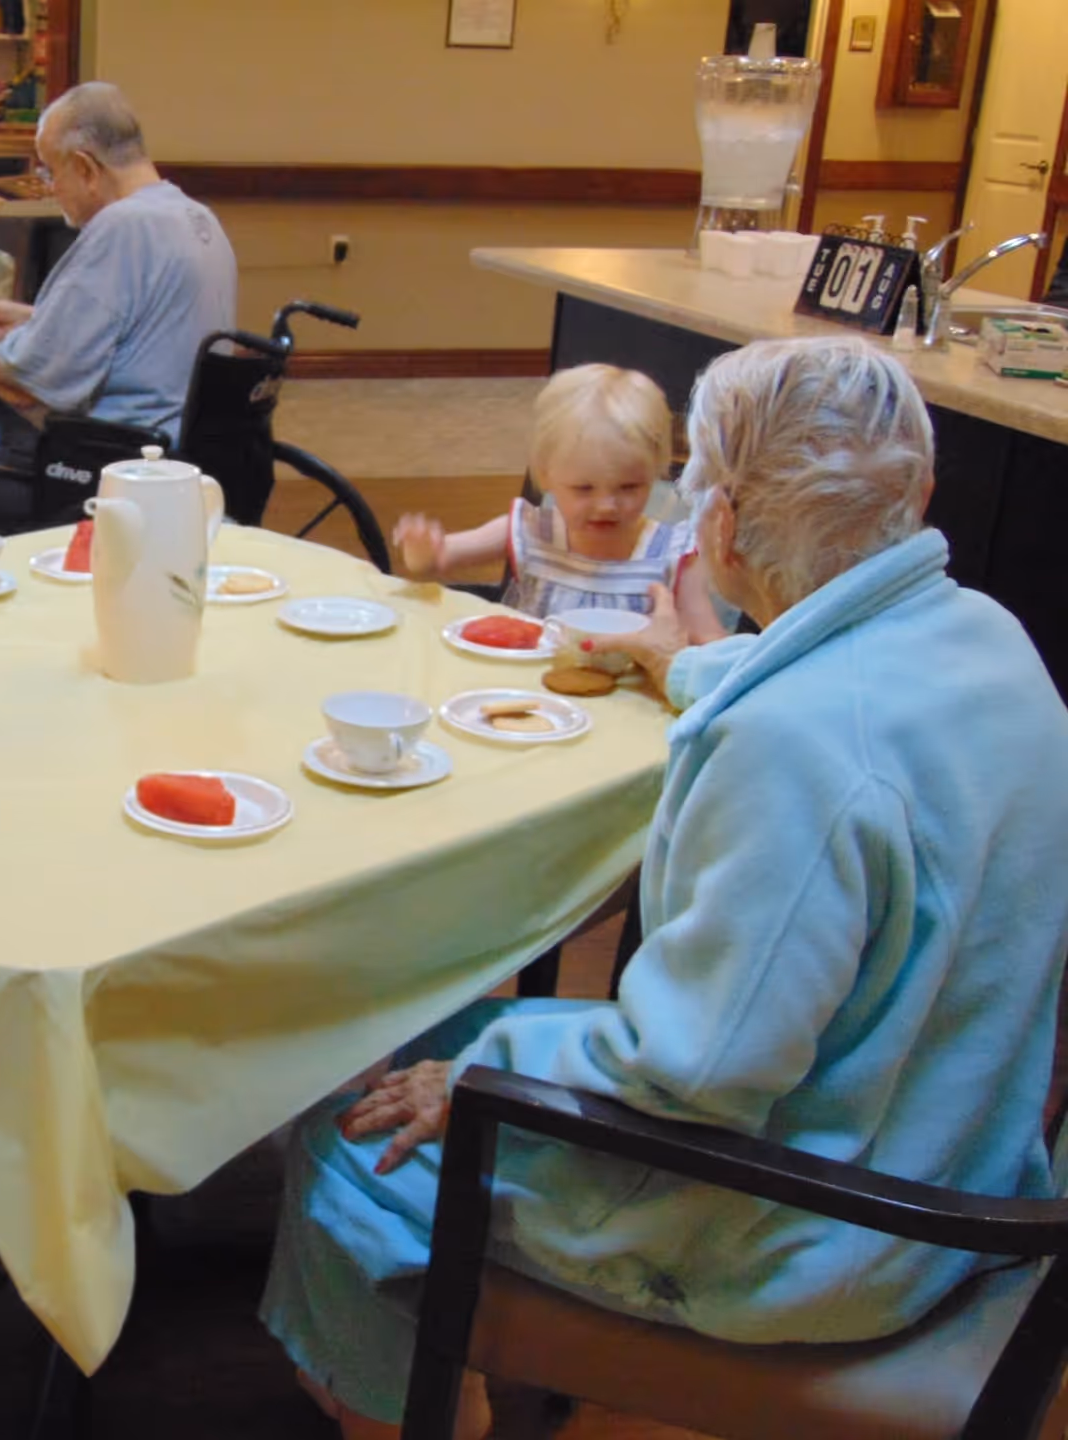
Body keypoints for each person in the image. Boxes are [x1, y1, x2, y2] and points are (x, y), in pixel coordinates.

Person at [261, 336, 1068, 1440]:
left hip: (819, 1236)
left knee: (347, 1117)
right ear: (917, 489)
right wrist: (680, 662)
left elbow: (691, 1073)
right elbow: (838, 681)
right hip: (962, 1157)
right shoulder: (993, 643)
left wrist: (477, 1070)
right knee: (437, 1042)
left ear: (720, 530)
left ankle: (409, 1408)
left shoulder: (792, 750)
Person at [0, 81, 237, 524]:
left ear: (86, 168)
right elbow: (150, 327)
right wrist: (39, 318)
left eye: (49, 172)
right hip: (184, 454)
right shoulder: (194, 217)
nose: (48, 186)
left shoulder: (123, 226)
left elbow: (31, 378)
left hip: (106, 467)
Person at [392, 364, 725, 638]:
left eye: (629, 487)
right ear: (546, 475)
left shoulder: (673, 554)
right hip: (532, 695)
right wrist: (423, 549)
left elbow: (707, 640)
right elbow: (436, 562)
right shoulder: (531, 530)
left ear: (655, 472)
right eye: (584, 488)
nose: (607, 505)